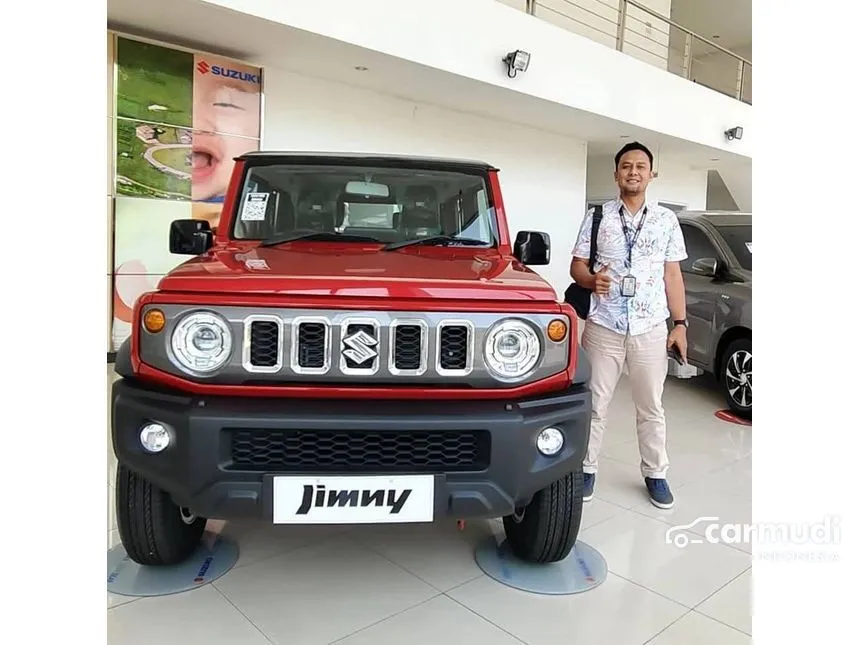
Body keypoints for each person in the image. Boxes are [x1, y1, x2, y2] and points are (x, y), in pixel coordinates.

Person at [570, 142, 688, 509]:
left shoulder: (667, 220)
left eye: (640, 166)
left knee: (651, 406)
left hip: (649, 328)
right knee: (594, 404)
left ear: (651, 173)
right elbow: (576, 267)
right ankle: (586, 468)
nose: (633, 171)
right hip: (604, 326)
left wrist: (680, 323)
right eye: (626, 166)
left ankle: (656, 473)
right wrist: (591, 281)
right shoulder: (597, 218)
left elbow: (672, 275)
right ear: (616, 173)